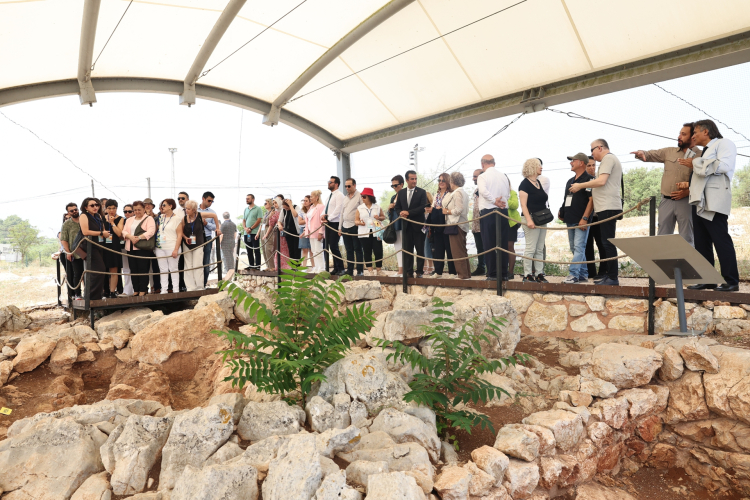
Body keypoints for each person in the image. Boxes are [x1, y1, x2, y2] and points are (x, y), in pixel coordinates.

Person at [678, 119, 739, 292]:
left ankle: (731, 281)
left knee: (720, 239)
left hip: (714, 200)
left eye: (695, 132)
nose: (693, 136)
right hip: (699, 200)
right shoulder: (704, 152)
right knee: (701, 242)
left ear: (705, 132)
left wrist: (696, 163)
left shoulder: (724, 143)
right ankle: (707, 279)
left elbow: (724, 166)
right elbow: (704, 174)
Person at [631, 123, 698, 246]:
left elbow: (704, 180)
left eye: (683, 134)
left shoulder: (700, 156)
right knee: (662, 238)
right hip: (666, 201)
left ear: (692, 137)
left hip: (686, 202)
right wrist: (642, 153)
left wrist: (688, 191)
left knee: (687, 238)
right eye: (679, 133)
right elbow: (652, 154)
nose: (679, 137)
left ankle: (686, 260)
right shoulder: (669, 151)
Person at [570, 139, 623, 286]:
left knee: (607, 243)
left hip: (607, 207)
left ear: (599, 148)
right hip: (604, 207)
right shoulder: (609, 160)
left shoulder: (608, 159)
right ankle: (608, 275)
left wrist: (580, 185)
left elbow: (601, 181)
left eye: (592, 150)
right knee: (605, 243)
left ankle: (612, 277)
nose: (591, 154)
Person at [559, 153, 594, 284]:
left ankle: (573, 274)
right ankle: (583, 275)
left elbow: (592, 200)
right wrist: (562, 212)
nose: (571, 163)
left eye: (573, 160)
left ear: (581, 163)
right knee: (574, 248)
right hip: (570, 218)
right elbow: (566, 199)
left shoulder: (590, 179)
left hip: (581, 219)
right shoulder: (570, 181)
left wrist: (585, 218)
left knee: (579, 247)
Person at [477, 155, 511, 281]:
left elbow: (483, 191)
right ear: (494, 163)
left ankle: (492, 274)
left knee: (489, 243)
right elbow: (507, 194)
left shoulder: (483, 176)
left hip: (488, 211)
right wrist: (500, 202)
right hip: (503, 211)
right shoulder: (503, 176)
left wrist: (494, 201)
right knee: (503, 243)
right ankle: (503, 273)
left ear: (482, 164)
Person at [519, 158, 549, 283]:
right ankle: (527, 274)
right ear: (532, 167)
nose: (541, 167)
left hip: (541, 218)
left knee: (539, 248)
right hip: (530, 218)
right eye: (538, 165)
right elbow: (523, 205)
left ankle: (539, 273)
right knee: (531, 248)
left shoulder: (538, 182)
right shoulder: (524, 184)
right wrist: (529, 220)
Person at [394, 170, 428, 278]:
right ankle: (409, 272)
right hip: (406, 226)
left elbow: (422, 207)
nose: (414, 181)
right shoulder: (401, 193)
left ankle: (419, 272)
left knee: (420, 250)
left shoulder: (422, 192)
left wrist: (408, 213)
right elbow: (397, 207)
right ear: (407, 180)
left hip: (418, 226)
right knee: (407, 250)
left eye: (415, 179)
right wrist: (400, 213)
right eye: (412, 179)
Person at [122, 201, 156, 296]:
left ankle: (143, 289)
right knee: (133, 269)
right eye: (135, 210)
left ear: (144, 209)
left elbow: (151, 231)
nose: (137, 212)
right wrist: (130, 237)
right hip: (130, 246)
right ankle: (136, 289)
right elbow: (124, 231)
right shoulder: (129, 219)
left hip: (142, 247)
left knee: (143, 268)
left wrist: (139, 237)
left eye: (139, 209)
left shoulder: (149, 218)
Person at [442, 172, 471, 279]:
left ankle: (462, 275)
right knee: (462, 250)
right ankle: (466, 274)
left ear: (452, 181)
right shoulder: (463, 192)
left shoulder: (457, 193)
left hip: (456, 224)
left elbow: (458, 210)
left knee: (457, 251)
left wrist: (447, 211)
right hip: (461, 224)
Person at [78, 197, 108, 300]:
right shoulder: (84, 215)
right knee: (99, 269)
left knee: (99, 270)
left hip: (99, 244)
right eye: (92, 205)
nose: (95, 207)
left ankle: (96, 295)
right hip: (89, 246)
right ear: (86, 207)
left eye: (97, 205)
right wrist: (101, 233)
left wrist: (104, 232)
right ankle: (92, 297)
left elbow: (102, 229)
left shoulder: (98, 216)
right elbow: (85, 232)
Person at [427, 173, 456, 276]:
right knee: (438, 249)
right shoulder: (437, 194)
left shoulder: (451, 194)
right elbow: (434, 206)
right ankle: (438, 271)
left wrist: (439, 209)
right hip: (437, 225)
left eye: (443, 180)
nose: (441, 182)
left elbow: (451, 208)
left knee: (449, 249)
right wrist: (432, 209)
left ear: (448, 181)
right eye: (439, 180)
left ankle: (452, 272)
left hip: (447, 223)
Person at [155, 199, 184, 294]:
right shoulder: (160, 217)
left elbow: (179, 235)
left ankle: (176, 289)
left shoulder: (177, 218)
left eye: (164, 205)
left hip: (172, 246)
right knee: (163, 269)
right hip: (160, 247)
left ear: (170, 206)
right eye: (161, 205)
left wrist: (176, 249)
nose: (162, 207)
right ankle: (164, 289)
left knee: (173, 269)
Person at [584, 156, 606, 280]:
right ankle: (590, 272)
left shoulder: (600, 179)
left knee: (602, 244)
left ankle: (603, 271)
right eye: (589, 165)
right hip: (586, 218)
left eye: (594, 165)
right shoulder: (581, 181)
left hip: (598, 216)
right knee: (587, 246)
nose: (592, 168)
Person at [355, 188, 386, 275]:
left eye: (364, 196)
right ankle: (370, 271)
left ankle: (379, 270)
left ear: (370, 197)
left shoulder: (377, 207)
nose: (362, 198)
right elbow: (356, 221)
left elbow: (383, 217)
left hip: (376, 232)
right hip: (364, 232)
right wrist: (360, 223)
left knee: (378, 251)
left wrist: (379, 218)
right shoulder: (360, 208)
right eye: (362, 196)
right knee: (367, 251)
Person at [338, 178, 364, 277]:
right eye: (345, 186)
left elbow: (363, 210)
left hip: (355, 226)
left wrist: (360, 222)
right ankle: (349, 270)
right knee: (348, 249)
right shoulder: (345, 198)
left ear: (354, 185)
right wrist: (339, 228)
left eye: (349, 186)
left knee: (358, 249)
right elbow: (342, 213)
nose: (347, 188)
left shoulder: (360, 196)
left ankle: (360, 271)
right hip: (345, 226)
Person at [182, 200, 208, 291]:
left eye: (188, 209)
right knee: (188, 265)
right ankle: (190, 287)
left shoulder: (200, 215)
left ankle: (199, 286)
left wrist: (217, 228)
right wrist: (185, 237)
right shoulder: (184, 218)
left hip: (199, 243)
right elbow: (181, 231)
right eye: (186, 208)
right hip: (187, 244)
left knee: (198, 264)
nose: (186, 210)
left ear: (194, 210)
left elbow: (214, 216)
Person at [322, 176, 345, 275]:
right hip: (328, 223)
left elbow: (338, 209)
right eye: (328, 182)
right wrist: (322, 216)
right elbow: (325, 208)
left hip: (335, 223)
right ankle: (336, 268)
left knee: (334, 246)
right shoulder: (329, 196)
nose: (328, 183)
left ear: (336, 184)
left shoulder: (339, 195)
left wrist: (329, 218)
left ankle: (341, 268)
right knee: (330, 246)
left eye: (330, 182)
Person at [60, 203, 83, 299]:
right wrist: (68, 252)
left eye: (75, 209)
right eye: (72, 211)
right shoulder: (66, 224)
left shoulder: (84, 220)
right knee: (77, 273)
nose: (74, 212)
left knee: (88, 273)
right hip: (75, 252)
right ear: (68, 213)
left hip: (87, 251)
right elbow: (64, 239)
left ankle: (90, 293)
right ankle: (77, 294)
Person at [198, 192, 221, 286]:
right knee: (195, 263)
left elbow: (216, 227)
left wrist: (206, 224)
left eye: (212, 201)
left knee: (206, 263)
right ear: (203, 199)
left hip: (207, 238)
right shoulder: (194, 210)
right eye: (209, 200)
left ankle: (203, 284)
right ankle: (195, 285)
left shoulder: (212, 213)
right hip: (196, 238)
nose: (210, 202)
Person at [103, 200, 124, 298]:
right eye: (109, 208)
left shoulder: (120, 219)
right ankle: (105, 291)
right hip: (103, 245)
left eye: (114, 208)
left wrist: (112, 223)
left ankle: (112, 291)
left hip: (114, 245)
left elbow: (119, 233)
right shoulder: (101, 218)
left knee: (114, 269)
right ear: (106, 209)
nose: (111, 210)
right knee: (103, 269)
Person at [305, 190, 326, 273]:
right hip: (311, 232)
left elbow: (322, 221)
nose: (310, 198)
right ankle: (316, 267)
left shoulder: (321, 206)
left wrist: (321, 232)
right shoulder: (311, 207)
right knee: (314, 251)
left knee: (318, 250)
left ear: (316, 197)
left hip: (317, 231)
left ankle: (321, 268)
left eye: (311, 196)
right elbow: (308, 220)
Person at [388, 175, 405, 276]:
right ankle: (400, 270)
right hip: (395, 225)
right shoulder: (393, 197)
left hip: (403, 225)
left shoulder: (405, 195)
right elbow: (389, 214)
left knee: (405, 248)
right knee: (398, 248)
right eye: (392, 186)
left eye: (396, 185)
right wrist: (390, 208)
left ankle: (405, 270)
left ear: (402, 184)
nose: (394, 187)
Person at [144, 198, 161, 293]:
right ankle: (145, 288)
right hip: (144, 244)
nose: (147, 206)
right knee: (145, 267)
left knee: (156, 267)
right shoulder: (140, 218)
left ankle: (157, 287)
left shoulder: (158, 217)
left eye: (149, 204)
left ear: (152, 206)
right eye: (145, 205)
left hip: (155, 244)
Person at [471, 169, 486, 276]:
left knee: (488, 248)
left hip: (485, 224)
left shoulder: (487, 189)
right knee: (479, 248)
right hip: (476, 224)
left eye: (475, 176)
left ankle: (491, 268)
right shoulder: (476, 190)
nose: (473, 179)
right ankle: (481, 267)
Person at [242, 194, 263, 270]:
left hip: (254, 232)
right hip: (246, 233)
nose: (247, 200)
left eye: (248, 198)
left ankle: (257, 266)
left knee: (256, 250)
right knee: (249, 250)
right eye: (246, 198)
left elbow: (259, 220)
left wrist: (251, 228)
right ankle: (251, 265)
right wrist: (245, 228)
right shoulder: (246, 209)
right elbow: (244, 220)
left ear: (253, 199)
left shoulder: (258, 208)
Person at [258, 198, 277, 271]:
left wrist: (266, 234)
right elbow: (262, 223)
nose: (264, 204)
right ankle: (268, 265)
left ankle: (272, 266)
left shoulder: (273, 212)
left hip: (269, 230)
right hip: (263, 230)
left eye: (266, 203)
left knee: (269, 248)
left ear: (270, 204)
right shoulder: (266, 213)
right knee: (264, 249)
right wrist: (258, 233)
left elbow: (270, 223)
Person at [120, 204, 135, 296]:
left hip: (136, 246)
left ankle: (136, 289)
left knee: (136, 269)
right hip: (124, 247)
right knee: (126, 269)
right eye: (125, 212)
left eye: (129, 211)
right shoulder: (122, 221)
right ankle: (127, 290)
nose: (127, 213)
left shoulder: (137, 221)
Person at [275, 197, 293, 270]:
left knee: (293, 249)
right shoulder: (282, 211)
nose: (285, 209)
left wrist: (291, 206)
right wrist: (279, 225)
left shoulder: (294, 208)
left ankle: (294, 265)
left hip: (293, 232)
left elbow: (295, 215)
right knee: (289, 249)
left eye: (286, 208)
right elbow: (279, 221)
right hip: (284, 232)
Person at [176, 192, 189, 292]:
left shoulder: (194, 211)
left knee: (189, 263)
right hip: (179, 240)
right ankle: (181, 285)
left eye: (182, 198)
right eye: (179, 198)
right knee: (180, 263)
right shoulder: (175, 212)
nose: (180, 200)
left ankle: (189, 285)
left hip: (192, 240)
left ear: (187, 199)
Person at [507, 189, 520, 278]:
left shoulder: (512, 192)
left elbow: (515, 205)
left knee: (509, 247)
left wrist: (504, 200)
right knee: (499, 247)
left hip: (511, 223)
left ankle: (510, 272)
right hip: (498, 222)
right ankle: (500, 271)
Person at [298, 196, 312, 269]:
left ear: (310, 201)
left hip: (312, 229)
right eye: (304, 200)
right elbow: (299, 222)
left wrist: (306, 220)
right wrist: (308, 220)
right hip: (303, 228)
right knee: (304, 249)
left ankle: (314, 266)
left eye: (306, 201)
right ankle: (303, 267)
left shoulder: (313, 209)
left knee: (312, 249)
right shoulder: (301, 210)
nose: (304, 202)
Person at [423, 192, 435, 275]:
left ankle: (431, 266)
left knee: (428, 248)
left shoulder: (431, 207)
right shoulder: (421, 207)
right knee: (423, 248)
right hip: (422, 230)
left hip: (429, 230)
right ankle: (425, 266)